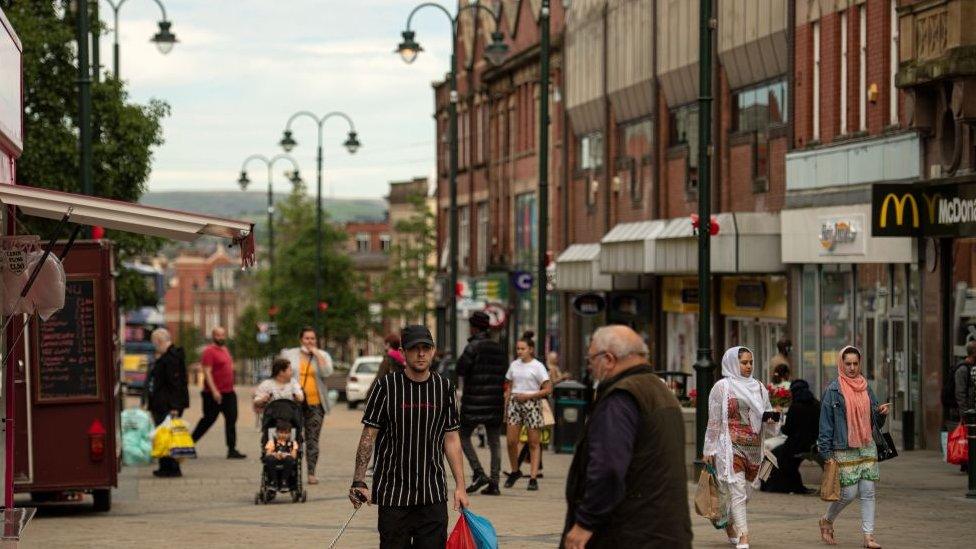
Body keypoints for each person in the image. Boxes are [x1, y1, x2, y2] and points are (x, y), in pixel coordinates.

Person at [561, 325, 692, 549]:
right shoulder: (662, 393)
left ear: (609, 359)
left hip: (629, 534)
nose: (590, 367)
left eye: (591, 360)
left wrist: (585, 523)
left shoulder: (621, 398)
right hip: (666, 533)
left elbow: (608, 467)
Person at [349, 325, 469, 548]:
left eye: (426, 348)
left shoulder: (445, 388)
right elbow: (369, 435)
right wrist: (359, 480)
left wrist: (461, 487)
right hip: (393, 495)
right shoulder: (385, 387)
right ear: (403, 352)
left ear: (433, 351)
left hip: (432, 493)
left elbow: (451, 439)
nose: (421, 353)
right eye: (414, 348)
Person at [703, 346, 779, 549]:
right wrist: (708, 450)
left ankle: (728, 521)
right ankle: (744, 535)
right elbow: (714, 421)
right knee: (737, 491)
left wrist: (773, 418)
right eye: (743, 362)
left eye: (750, 362)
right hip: (730, 446)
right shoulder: (722, 387)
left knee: (747, 492)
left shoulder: (760, 387)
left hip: (754, 448)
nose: (748, 366)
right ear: (732, 363)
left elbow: (767, 417)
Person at [818, 346, 890, 548]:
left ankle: (869, 536)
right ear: (841, 364)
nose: (851, 367)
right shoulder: (833, 391)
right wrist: (826, 453)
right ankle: (827, 520)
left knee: (868, 491)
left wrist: (880, 413)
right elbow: (825, 424)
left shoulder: (866, 387)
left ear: (860, 364)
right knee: (848, 493)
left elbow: (874, 421)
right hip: (844, 446)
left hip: (866, 445)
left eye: (855, 363)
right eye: (847, 363)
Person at [456, 311, 508, 496]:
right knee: (494, 442)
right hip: (494, 401)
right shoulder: (498, 348)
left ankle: (478, 472)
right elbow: (504, 373)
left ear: (474, 327)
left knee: (462, 435)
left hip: (474, 401)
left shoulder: (473, 347)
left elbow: (461, 368)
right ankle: (494, 483)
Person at [279, 327, 333, 485]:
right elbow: (280, 374)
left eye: (312, 339)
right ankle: (291, 472)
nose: (310, 342)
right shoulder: (289, 354)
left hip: (316, 404)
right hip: (293, 404)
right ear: (301, 339)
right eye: (307, 338)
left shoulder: (322, 355)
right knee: (292, 438)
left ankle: (311, 473)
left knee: (312, 439)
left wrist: (316, 354)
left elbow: (327, 373)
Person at [503, 331, 552, 491]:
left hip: (532, 403)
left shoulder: (538, 366)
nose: (519, 351)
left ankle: (533, 477)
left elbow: (548, 389)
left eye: (522, 348)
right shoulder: (514, 365)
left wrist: (530, 395)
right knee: (511, 441)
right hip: (515, 403)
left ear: (530, 349)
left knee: (533, 442)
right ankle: (515, 470)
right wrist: (506, 403)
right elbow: (509, 385)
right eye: (517, 349)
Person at [190, 327, 246, 459]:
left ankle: (232, 449)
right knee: (208, 420)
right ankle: (188, 444)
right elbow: (207, 372)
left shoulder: (225, 350)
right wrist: (215, 391)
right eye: (218, 335)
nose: (221, 337)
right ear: (213, 336)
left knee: (231, 419)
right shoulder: (209, 351)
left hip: (229, 392)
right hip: (213, 394)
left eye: (223, 335)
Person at [761, 379, 821, 494]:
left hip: (795, 446)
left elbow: (788, 430)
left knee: (770, 455)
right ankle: (788, 485)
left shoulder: (796, 407)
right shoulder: (817, 404)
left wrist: (782, 427)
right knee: (783, 458)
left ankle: (766, 484)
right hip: (811, 444)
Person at [147, 328, 189, 478]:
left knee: (168, 436)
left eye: (154, 343)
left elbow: (175, 384)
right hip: (164, 403)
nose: (154, 346)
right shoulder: (169, 356)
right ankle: (166, 466)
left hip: (168, 405)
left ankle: (171, 467)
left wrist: (174, 407)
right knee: (165, 435)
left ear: (159, 341)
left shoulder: (171, 358)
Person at [263, 419, 299, 490]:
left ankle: (284, 481)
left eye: (286, 433)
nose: (283, 435)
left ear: (289, 434)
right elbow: (268, 452)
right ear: (276, 433)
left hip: (287, 461)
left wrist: (286, 455)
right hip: (275, 460)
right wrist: (275, 454)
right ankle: (274, 480)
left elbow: (294, 455)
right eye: (281, 432)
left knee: (290, 459)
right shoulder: (272, 442)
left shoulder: (292, 443)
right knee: (269, 458)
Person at [368, 333, 407, 398]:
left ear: (388, 344)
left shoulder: (388, 360)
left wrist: (369, 396)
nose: (384, 346)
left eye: (385, 344)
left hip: (390, 396)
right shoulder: (404, 359)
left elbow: (379, 379)